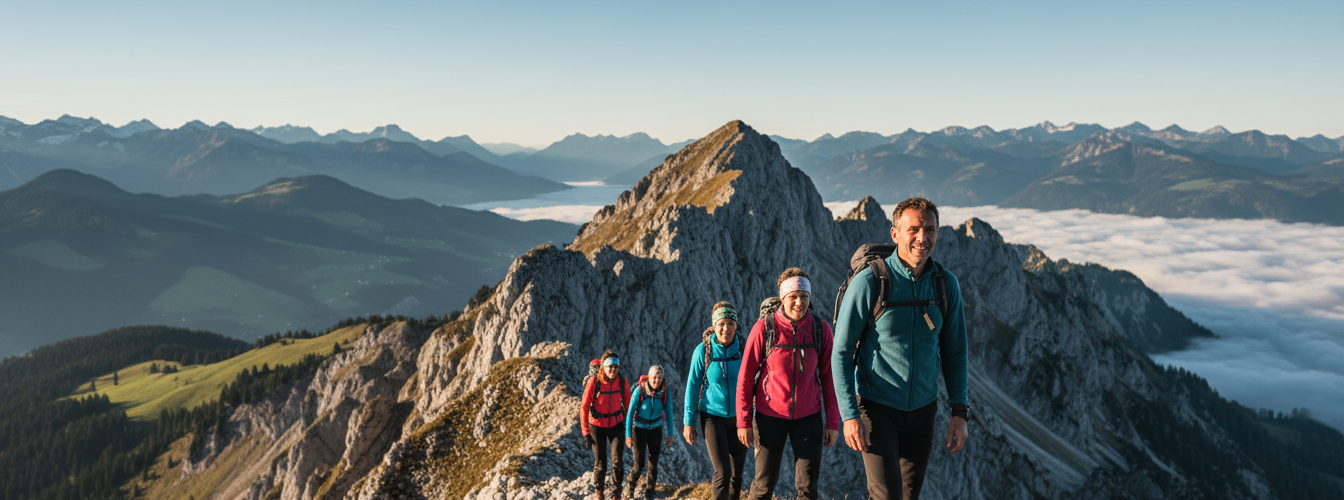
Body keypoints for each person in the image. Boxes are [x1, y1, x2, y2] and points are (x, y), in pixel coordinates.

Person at [831, 197, 970, 500]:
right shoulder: (870, 282)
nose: (923, 238)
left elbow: (955, 351)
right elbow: (840, 352)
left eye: (930, 230)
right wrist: (849, 415)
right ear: (895, 234)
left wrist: (960, 412)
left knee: (909, 495)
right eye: (914, 229)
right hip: (875, 407)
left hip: (923, 411)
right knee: (886, 496)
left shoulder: (945, 285)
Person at [736, 268, 840, 500]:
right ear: (783, 297)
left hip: (809, 417)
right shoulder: (764, 328)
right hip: (769, 416)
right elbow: (745, 377)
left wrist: (833, 422)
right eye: (793, 296)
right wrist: (743, 421)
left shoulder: (821, 330)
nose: (799, 302)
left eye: (804, 296)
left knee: (807, 487)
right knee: (763, 485)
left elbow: (829, 379)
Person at [683, 301, 748, 500]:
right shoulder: (703, 351)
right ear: (714, 325)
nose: (725, 328)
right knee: (723, 472)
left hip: (739, 419)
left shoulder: (744, 348)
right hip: (712, 417)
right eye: (721, 323)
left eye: (730, 323)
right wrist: (689, 422)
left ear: (736, 325)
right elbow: (693, 386)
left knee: (737, 475)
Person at [582, 350, 631, 500]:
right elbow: (584, 406)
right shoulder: (594, 382)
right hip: (596, 426)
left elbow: (628, 405)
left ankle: (617, 493)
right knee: (601, 462)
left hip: (616, 425)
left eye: (616, 366)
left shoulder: (622, 381)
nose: (613, 369)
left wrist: (629, 429)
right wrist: (586, 433)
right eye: (610, 366)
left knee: (617, 461)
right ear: (603, 366)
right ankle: (600, 493)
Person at [625, 365, 676, 500]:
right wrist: (628, 435)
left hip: (656, 430)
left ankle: (649, 492)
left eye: (659, 377)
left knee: (653, 464)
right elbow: (630, 413)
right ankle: (630, 485)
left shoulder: (665, 393)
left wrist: (671, 435)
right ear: (649, 377)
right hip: (639, 429)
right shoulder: (640, 390)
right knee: (639, 465)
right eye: (654, 377)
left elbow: (669, 415)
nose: (657, 380)